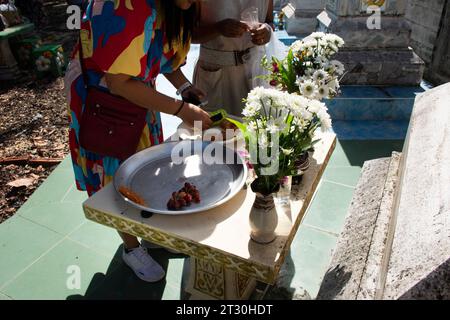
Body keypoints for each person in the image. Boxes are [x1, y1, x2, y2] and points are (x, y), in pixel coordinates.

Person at [64, 0, 211, 283]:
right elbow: (119, 81)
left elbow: (159, 53)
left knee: (145, 162)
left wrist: (184, 87)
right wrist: (181, 110)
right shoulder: (126, 6)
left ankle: (149, 230)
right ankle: (131, 248)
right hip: (102, 100)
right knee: (116, 173)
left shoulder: (165, 6)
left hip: (135, 93)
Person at [192, 0, 274, 116]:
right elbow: (185, 34)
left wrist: (267, 30)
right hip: (215, 74)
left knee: (256, 129)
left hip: (255, 72)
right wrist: (217, 29)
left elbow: (269, 21)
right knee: (214, 130)